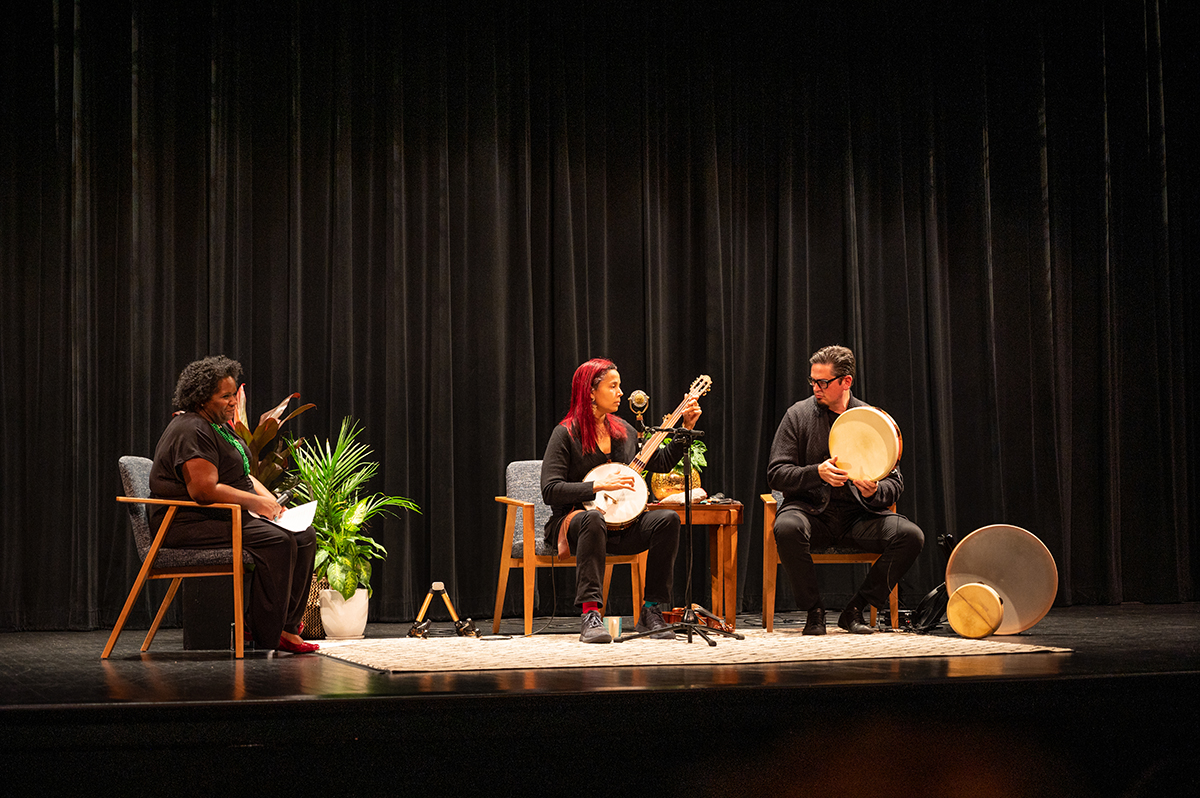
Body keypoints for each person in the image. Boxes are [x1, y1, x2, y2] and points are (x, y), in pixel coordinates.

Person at [148, 355, 319, 654]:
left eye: (232, 395)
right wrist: (257, 505)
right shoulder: (191, 429)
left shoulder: (218, 427)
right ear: (201, 398)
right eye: (224, 396)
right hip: (186, 522)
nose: (232, 403)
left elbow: (243, 476)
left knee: (304, 535)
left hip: (215, 516)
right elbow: (204, 490)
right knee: (276, 540)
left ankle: (287, 628)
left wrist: (272, 504)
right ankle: (264, 633)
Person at [541, 358, 702, 643]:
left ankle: (651, 611)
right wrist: (597, 485)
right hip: (575, 523)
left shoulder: (624, 430)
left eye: (620, 386)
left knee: (667, 519)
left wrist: (685, 430)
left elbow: (661, 462)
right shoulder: (565, 433)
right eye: (613, 386)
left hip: (622, 526)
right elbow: (550, 490)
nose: (620, 393)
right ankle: (590, 614)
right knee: (592, 518)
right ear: (591, 391)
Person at [767, 345, 924, 635]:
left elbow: (895, 483)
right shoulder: (798, 415)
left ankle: (856, 608)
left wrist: (873, 491)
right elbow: (776, 474)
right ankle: (814, 611)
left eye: (823, 382)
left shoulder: (872, 420)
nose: (816, 388)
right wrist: (817, 473)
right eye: (813, 381)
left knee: (910, 536)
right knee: (786, 527)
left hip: (859, 517)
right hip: (811, 513)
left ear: (846, 381)